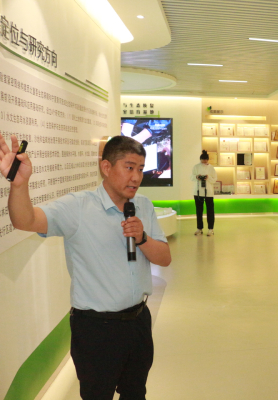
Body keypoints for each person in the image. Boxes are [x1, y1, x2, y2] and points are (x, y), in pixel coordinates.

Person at [0, 134, 171, 400]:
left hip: (138, 322)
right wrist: (20, 184)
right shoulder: (77, 207)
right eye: (129, 167)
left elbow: (164, 258)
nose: (136, 177)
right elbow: (25, 220)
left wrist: (142, 238)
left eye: (140, 169)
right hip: (96, 330)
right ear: (106, 167)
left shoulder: (143, 206)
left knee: (136, 393)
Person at [191, 150, 217, 236]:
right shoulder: (196, 167)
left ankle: (211, 229)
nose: (204, 162)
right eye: (203, 160)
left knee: (210, 211)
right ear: (200, 159)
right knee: (199, 211)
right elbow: (191, 177)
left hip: (208, 192)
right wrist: (197, 177)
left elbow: (214, 179)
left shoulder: (211, 168)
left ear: (208, 160)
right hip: (198, 192)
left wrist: (208, 177)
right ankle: (199, 228)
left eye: (205, 161)